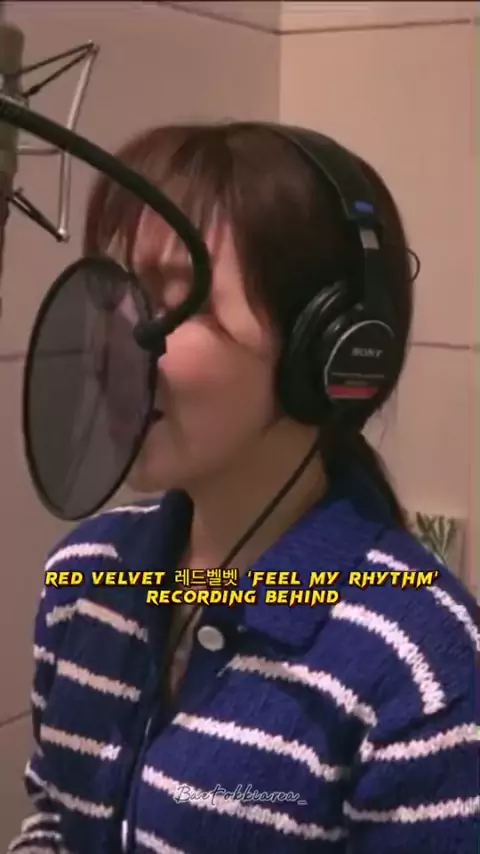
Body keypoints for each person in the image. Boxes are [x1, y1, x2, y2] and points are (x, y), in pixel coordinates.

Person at [8, 122, 478, 854]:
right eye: (115, 299)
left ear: (326, 348)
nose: (115, 347)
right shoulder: (86, 580)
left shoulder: (421, 668)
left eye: (175, 302)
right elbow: (54, 821)